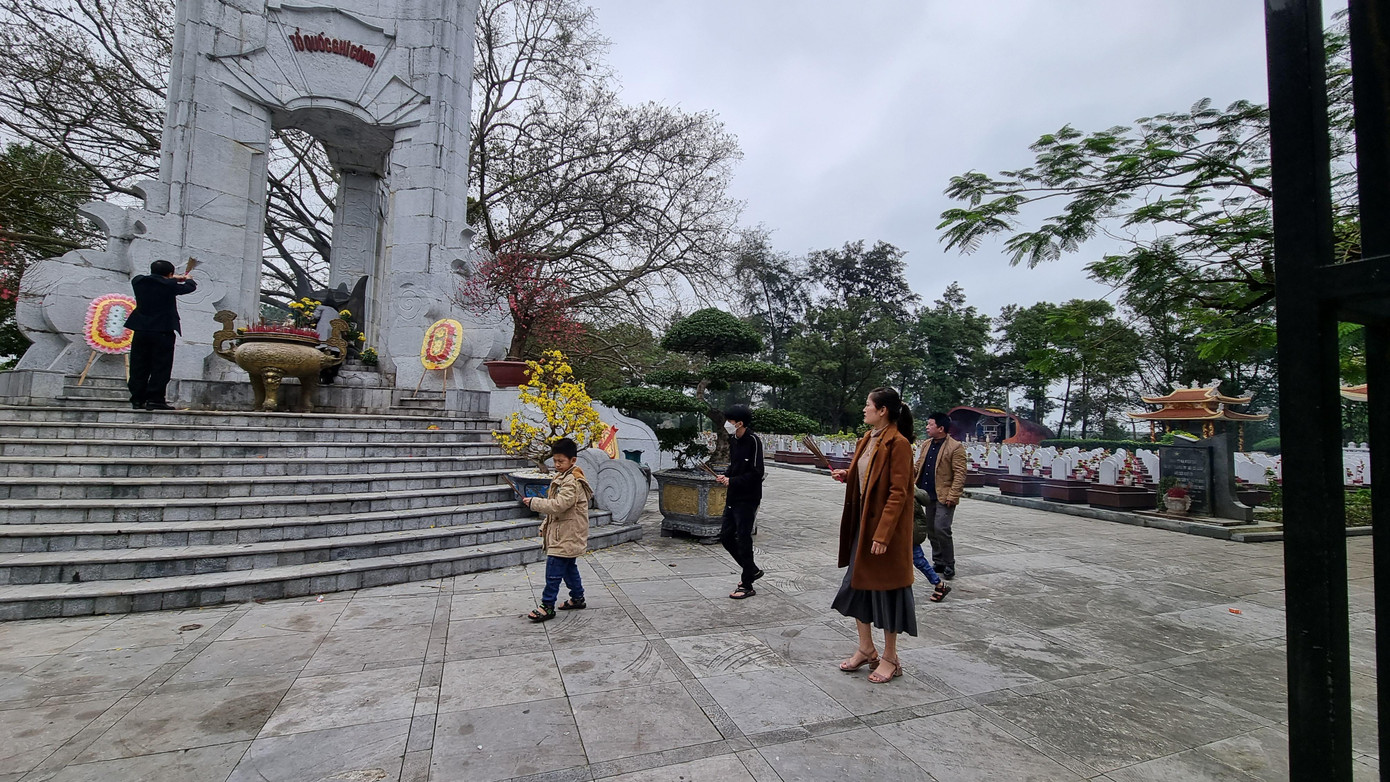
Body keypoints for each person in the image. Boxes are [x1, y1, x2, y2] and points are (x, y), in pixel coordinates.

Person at [830, 387, 917, 684]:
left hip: (884, 534)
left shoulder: (899, 443)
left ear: (882, 410)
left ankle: (891, 657)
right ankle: (867, 648)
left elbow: (899, 493)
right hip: (862, 528)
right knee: (857, 586)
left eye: (868, 404)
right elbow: (868, 478)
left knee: (887, 592)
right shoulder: (868, 439)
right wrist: (848, 475)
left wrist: (882, 535)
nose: (863, 408)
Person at [523, 438, 594, 622]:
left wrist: (534, 503)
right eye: (555, 461)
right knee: (569, 567)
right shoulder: (563, 476)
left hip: (567, 533)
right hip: (563, 531)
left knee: (553, 571)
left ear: (573, 460)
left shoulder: (572, 481)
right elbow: (555, 514)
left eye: (561, 461)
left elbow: (559, 505)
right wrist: (544, 527)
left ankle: (547, 605)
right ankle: (577, 598)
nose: (557, 465)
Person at [125, 259, 197, 410]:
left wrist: (172, 277)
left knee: (138, 366)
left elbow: (152, 279)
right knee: (160, 366)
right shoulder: (170, 285)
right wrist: (188, 279)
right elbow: (189, 288)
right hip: (162, 331)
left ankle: (137, 399)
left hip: (141, 329)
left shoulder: (138, 282)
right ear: (170, 274)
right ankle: (155, 399)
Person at [716, 404, 765, 599]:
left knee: (744, 538)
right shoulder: (733, 439)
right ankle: (751, 569)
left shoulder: (753, 441)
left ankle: (747, 584)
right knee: (726, 537)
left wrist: (733, 480)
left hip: (748, 497)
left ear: (740, 423)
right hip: (733, 495)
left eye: (730, 421)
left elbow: (756, 473)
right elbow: (735, 466)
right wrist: (725, 476)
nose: (727, 424)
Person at [916, 412, 967, 583]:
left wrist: (954, 495)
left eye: (930, 424)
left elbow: (960, 473)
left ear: (941, 428)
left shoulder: (955, 447)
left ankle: (949, 563)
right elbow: (918, 466)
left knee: (942, 528)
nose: (927, 427)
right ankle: (938, 560)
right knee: (930, 528)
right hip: (927, 494)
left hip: (945, 495)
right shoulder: (926, 444)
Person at [912, 486, 949, 602]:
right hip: (907, 531)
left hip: (909, 532)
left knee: (918, 559)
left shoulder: (905, 491)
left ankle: (939, 584)